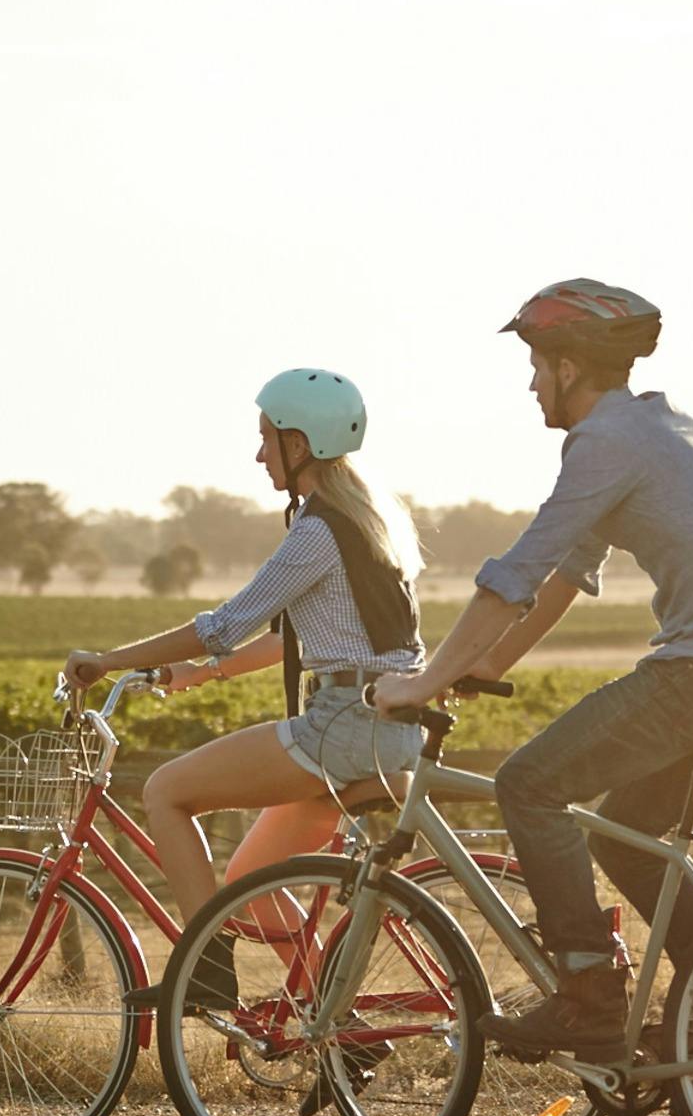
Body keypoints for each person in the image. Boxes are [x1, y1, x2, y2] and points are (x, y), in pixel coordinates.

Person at [372, 280, 693, 1063]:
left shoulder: (607, 441)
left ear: (570, 367)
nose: (531, 383)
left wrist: (423, 681)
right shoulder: (655, 427)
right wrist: (481, 667)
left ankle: (586, 998)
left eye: (537, 365)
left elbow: (516, 572)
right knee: (628, 836)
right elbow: (564, 577)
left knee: (529, 785)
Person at [62, 368, 428, 1012]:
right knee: (250, 884)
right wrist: (194, 675)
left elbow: (224, 626)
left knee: (165, 791)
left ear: (300, 444)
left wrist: (109, 660)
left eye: (267, 438)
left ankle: (203, 965)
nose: (258, 454)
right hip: (387, 731)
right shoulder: (364, 523)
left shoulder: (318, 530)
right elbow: (293, 637)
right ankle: (332, 1026)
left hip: (342, 728)